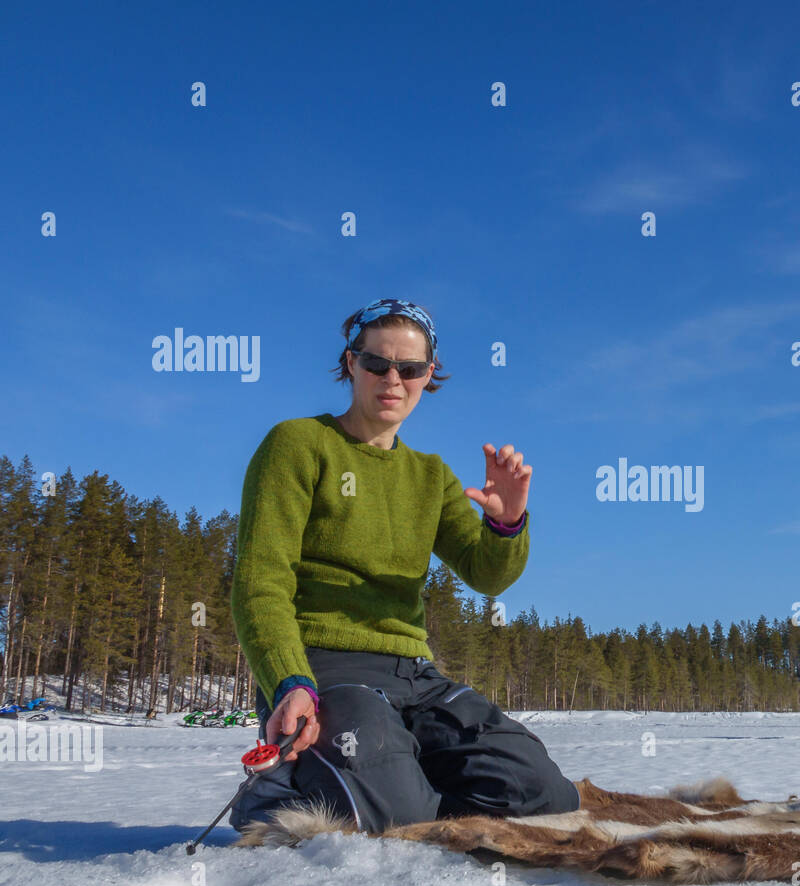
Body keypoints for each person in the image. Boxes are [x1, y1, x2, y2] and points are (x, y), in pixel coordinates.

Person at [227, 297, 580, 834]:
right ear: (351, 363)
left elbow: (487, 575)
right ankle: (278, 787)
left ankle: (396, 773)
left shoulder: (429, 475)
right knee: (402, 820)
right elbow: (260, 584)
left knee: (546, 796)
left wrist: (505, 525)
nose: (393, 379)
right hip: (325, 672)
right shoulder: (297, 446)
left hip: (415, 677)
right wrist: (289, 681)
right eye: (377, 363)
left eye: (410, 369)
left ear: (428, 375)